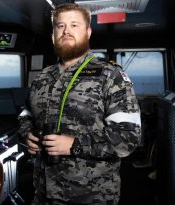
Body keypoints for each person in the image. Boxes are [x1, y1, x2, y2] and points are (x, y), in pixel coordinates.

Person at [18, 3, 141, 205]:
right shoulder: (42, 77)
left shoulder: (110, 75)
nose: (66, 31)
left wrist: (74, 145)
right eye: (60, 26)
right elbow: (25, 115)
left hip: (90, 196)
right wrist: (27, 134)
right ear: (53, 34)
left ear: (88, 32)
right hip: (42, 194)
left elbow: (129, 137)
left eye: (74, 25)